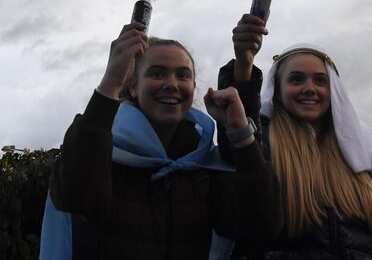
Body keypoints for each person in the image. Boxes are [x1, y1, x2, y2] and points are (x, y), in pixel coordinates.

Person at [217, 14, 372, 260]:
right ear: (278, 91)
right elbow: (238, 142)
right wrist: (243, 65)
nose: (309, 88)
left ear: (334, 90)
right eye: (296, 79)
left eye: (320, 80)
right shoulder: (260, 146)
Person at [40, 22, 273, 259]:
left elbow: (254, 225)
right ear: (132, 86)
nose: (171, 84)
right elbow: (75, 196)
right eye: (157, 73)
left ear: (194, 87)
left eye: (183, 75)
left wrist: (241, 134)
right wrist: (110, 82)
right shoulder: (101, 151)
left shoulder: (204, 165)